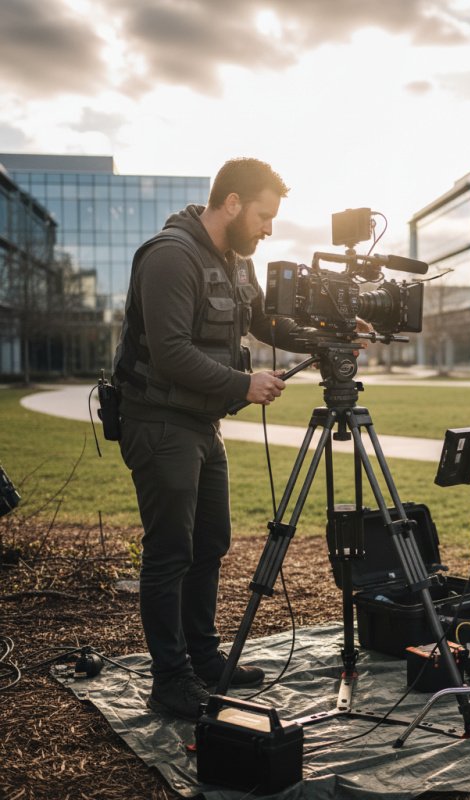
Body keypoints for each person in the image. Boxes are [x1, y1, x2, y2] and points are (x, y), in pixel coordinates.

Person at [112, 158, 314, 721]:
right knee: (170, 553)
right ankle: (170, 680)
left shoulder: (233, 260)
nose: (268, 228)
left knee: (210, 544)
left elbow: (261, 321)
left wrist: (324, 336)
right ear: (231, 203)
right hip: (157, 422)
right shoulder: (171, 257)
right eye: (264, 215)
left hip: (201, 425)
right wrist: (242, 383)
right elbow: (172, 353)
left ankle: (202, 660)